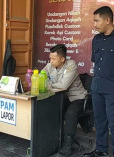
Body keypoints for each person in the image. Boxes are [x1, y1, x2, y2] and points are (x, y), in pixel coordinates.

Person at [42, 44, 87, 157]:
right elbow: (40, 78)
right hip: (61, 98)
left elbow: (63, 85)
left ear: (62, 59)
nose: (50, 61)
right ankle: (52, 139)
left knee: (70, 114)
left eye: (53, 59)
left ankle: (67, 146)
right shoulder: (49, 65)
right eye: (50, 58)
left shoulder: (71, 65)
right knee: (48, 109)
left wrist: (47, 85)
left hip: (77, 97)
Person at [84, 6, 114, 157]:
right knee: (100, 121)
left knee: (113, 123)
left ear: (107, 20)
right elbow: (96, 61)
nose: (94, 24)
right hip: (97, 86)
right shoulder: (96, 39)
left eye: (97, 20)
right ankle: (101, 150)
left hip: (112, 87)